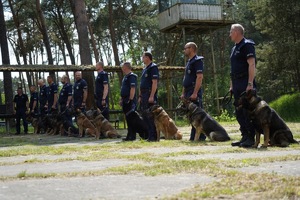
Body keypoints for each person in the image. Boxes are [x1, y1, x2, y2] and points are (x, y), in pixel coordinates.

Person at [229, 23, 256, 148]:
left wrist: (250, 83)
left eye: (231, 32)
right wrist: (231, 85)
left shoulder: (247, 45)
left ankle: (251, 138)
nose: (229, 34)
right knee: (239, 111)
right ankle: (244, 136)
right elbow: (232, 69)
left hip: (245, 81)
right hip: (236, 83)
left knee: (247, 111)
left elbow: (251, 64)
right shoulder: (234, 48)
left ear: (237, 32)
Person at [180, 42, 206, 141]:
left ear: (191, 49)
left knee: (197, 115)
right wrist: (183, 93)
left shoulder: (197, 61)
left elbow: (199, 77)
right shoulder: (189, 62)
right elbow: (185, 79)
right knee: (191, 115)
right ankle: (194, 135)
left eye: (185, 48)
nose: (184, 50)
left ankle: (201, 136)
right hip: (187, 91)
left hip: (193, 91)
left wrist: (195, 92)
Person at [139, 52, 159, 142]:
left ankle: (153, 136)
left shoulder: (153, 67)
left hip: (149, 93)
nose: (142, 58)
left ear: (147, 58)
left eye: (143, 57)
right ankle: (149, 135)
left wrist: (152, 96)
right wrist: (140, 95)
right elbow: (141, 84)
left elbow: (154, 82)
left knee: (150, 115)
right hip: (143, 94)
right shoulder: (145, 69)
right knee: (144, 114)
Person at [120, 62, 138, 141]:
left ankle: (132, 136)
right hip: (124, 100)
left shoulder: (132, 76)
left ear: (126, 67)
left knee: (131, 118)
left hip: (129, 100)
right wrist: (121, 99)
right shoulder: (125, 77)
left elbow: (133, 88)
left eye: (123, 67)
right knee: (127, 118)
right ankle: (129, 135)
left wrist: (130, 99)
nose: (122, 68)